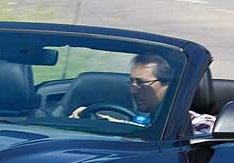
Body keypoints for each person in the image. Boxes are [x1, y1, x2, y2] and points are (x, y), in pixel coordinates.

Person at [70, 53, 217, 134]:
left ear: (169, 86)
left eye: (141, 83)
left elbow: (196, 137)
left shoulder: (202, 124)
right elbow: (143, 128)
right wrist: (99, 120)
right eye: (132, 83)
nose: (133, 90)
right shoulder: (151, 121)